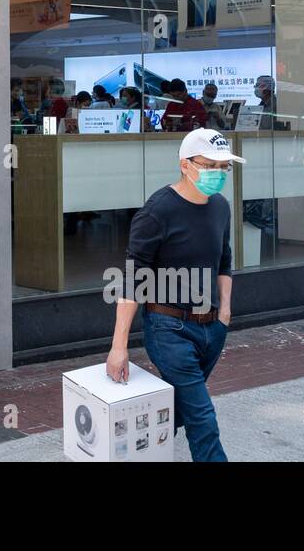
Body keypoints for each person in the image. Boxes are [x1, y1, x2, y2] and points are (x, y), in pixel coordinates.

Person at [107, 127, 238, 462]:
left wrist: (224, 312)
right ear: (185, 164)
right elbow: (133, 280)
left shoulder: (220, 206)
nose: (219, 174)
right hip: (170, 329)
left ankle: (134, 446)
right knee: (202, 417)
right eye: (210, 165)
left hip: (211, 327)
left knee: (179, 408)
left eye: (224, 167)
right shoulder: (157, 212)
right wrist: (118, 347)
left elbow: (224, 260)